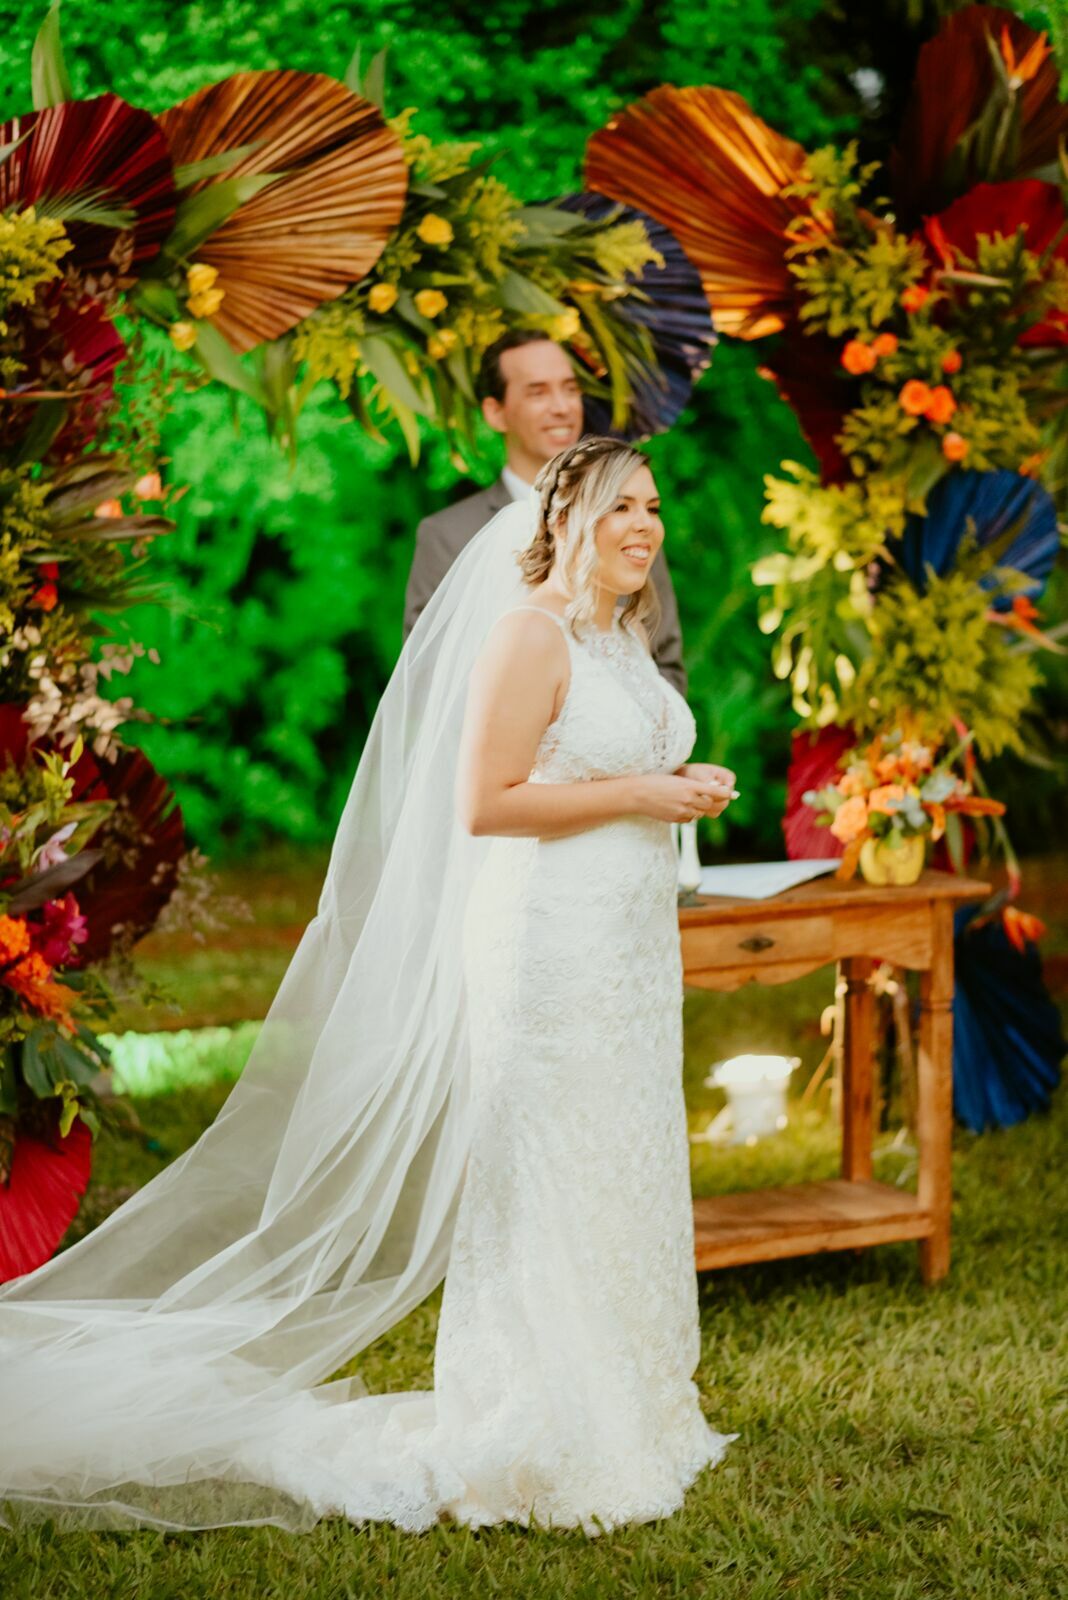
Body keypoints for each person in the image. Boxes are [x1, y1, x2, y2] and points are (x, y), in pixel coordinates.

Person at [0, 437, 738, 1536]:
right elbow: (487, 802)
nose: (645, 526)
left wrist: (674, 781)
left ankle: (632, 1405)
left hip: (627, 951)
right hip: (548, 948)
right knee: (550, 1163)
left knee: (619, 1154)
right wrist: (642, 792)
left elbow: (602, 767)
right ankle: (543, 1422)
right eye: (620, 506)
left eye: (654, 506)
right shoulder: (529, 634)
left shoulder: (619, 635)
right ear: (567, 518)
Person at [403, 331, 688, 697]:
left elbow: (664, 665)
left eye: (570, 389)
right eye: (538, 392)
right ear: (495, 412)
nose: (562, 407)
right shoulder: (447, 536)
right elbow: (426, 682)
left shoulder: (632, 524)